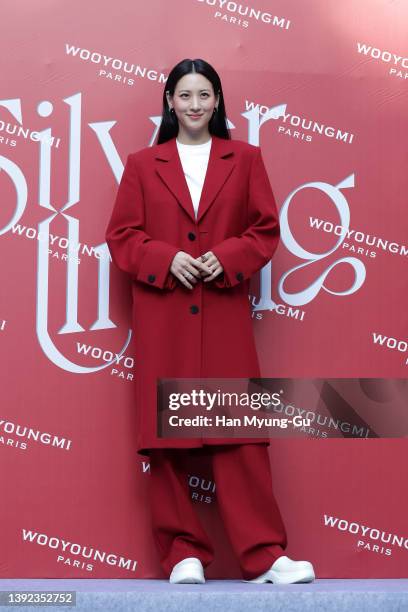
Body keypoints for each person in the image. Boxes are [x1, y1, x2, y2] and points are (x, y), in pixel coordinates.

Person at [105, 58, 315, 585]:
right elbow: (122, 235)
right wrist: (163, 258)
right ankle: (182, 555)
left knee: (240, 437)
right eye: (184, 95)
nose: (194, 105)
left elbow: (264, 229)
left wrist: (228, 257)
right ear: (169, 103)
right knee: (166, 441)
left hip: (222, 315)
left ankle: (266, 557)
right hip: (164, 318)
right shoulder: (141, 163)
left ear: (218, 101)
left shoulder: (244, 159)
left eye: (204, 95)